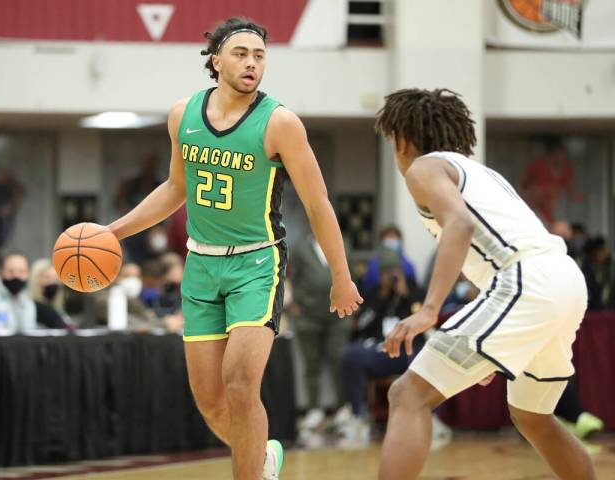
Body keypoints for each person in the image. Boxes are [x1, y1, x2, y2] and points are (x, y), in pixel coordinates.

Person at [106, 17, 362, 480]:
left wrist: (341, 278)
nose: (251, 63)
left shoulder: (279, 122)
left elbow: (318, 203)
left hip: (257, 263)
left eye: (259, 55)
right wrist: (114, 232)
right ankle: (262, 459)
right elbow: (174, 188)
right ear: (215, 60)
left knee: (242, 385)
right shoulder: (183, 115)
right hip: (200, 264)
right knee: (210, 403)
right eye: (241, 54)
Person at [373, 88, 595, 480]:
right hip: (562, 279)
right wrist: (489, 344)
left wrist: (429, 310)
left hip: (528, 281)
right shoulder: (481, 172)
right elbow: (486, 253)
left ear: (403, 139)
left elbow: (462, 225)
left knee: (407, 394)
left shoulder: (424, 168)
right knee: (533, 417)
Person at [339, 249, 424, 447]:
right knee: (352, 355)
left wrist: (405, 295)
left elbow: (423, 320)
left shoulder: (414, 291)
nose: (391, 277)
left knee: (426, 356)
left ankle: (428, 415)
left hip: (407, 351)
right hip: (381, 352)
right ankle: (358, 414)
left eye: (394, 272)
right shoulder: (373, 295)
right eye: (386, 273)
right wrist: (383, 297)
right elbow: (360, 326)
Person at [288, 233, 351, 442]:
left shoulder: (343, 243)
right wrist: (297, 305)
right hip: (308, 317)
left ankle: (343, 408)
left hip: (338, 316)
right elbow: (292, 276)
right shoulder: (300, 248)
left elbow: (350, 275)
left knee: (338, 360)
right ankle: (314, 410)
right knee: (311, 365)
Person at [518, 137, 582, 227]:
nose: (560, 157)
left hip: (549, 207)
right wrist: (523, 198)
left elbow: (571, 189)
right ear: (551, 154)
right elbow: (522, 182)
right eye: (558, 154)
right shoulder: (539, 165)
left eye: (562, 154)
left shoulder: (565, 169)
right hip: (534, 205)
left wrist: (577, 197)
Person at [361, 226, 417, 292]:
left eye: (393, 237)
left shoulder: (408, 265)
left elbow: (414, 289)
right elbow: (366, 289)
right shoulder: (373, 265)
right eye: (388, 237)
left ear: (399, 240)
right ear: (381, 241)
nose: (391, 241)